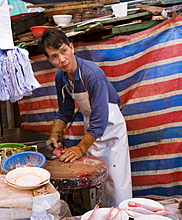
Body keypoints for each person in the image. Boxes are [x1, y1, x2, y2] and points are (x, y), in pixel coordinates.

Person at [38, 28, 132, 207]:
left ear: (72, 47)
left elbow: (101, 118)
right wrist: (54, 134)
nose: (62, 60)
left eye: (63, 51)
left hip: (110, 128)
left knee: (116, 182)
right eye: (54, 56)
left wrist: (80, 149)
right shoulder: (61, 77)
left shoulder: (91, 73)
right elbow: (65, 111)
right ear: (49, 60)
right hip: (92, 130)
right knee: (97, 181)